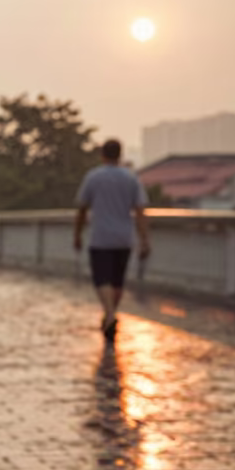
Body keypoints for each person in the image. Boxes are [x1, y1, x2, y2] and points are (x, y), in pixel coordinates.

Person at [73, 138, 151, 339]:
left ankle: (108, 313)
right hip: (124, 238)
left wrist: (77, 234)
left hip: (100, 237)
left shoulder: (93, 177)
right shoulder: (131, 178)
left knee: (102, 279)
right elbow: (140, 210)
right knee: (117, 281)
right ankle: (111, 313)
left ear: (102, 154)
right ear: (120, 154)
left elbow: (82, 208)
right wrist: (145, 240)